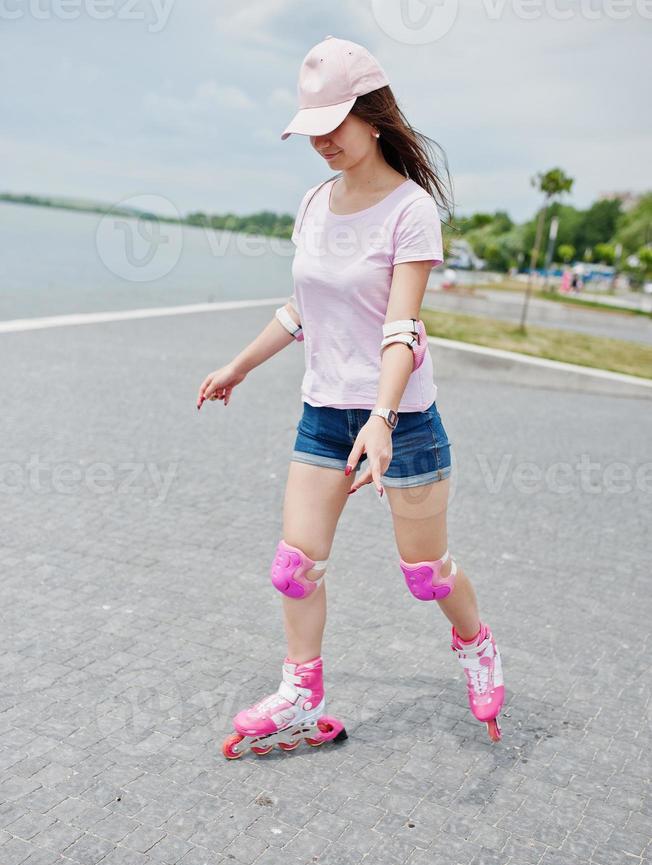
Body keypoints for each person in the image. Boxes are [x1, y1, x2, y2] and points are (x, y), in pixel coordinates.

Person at [197, 35, 505, 754]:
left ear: (373, 115)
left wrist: (383, 418)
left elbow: (401, 328)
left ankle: (477, 643)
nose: (322, 143)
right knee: (293, 567)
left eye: (333, 125)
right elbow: (305, 308)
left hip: (404, 422)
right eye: (312, 130)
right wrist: (240, 365)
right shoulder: (313, 202)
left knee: (426, 575)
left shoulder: (410, 211)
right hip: (325, 417)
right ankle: (301, 694)